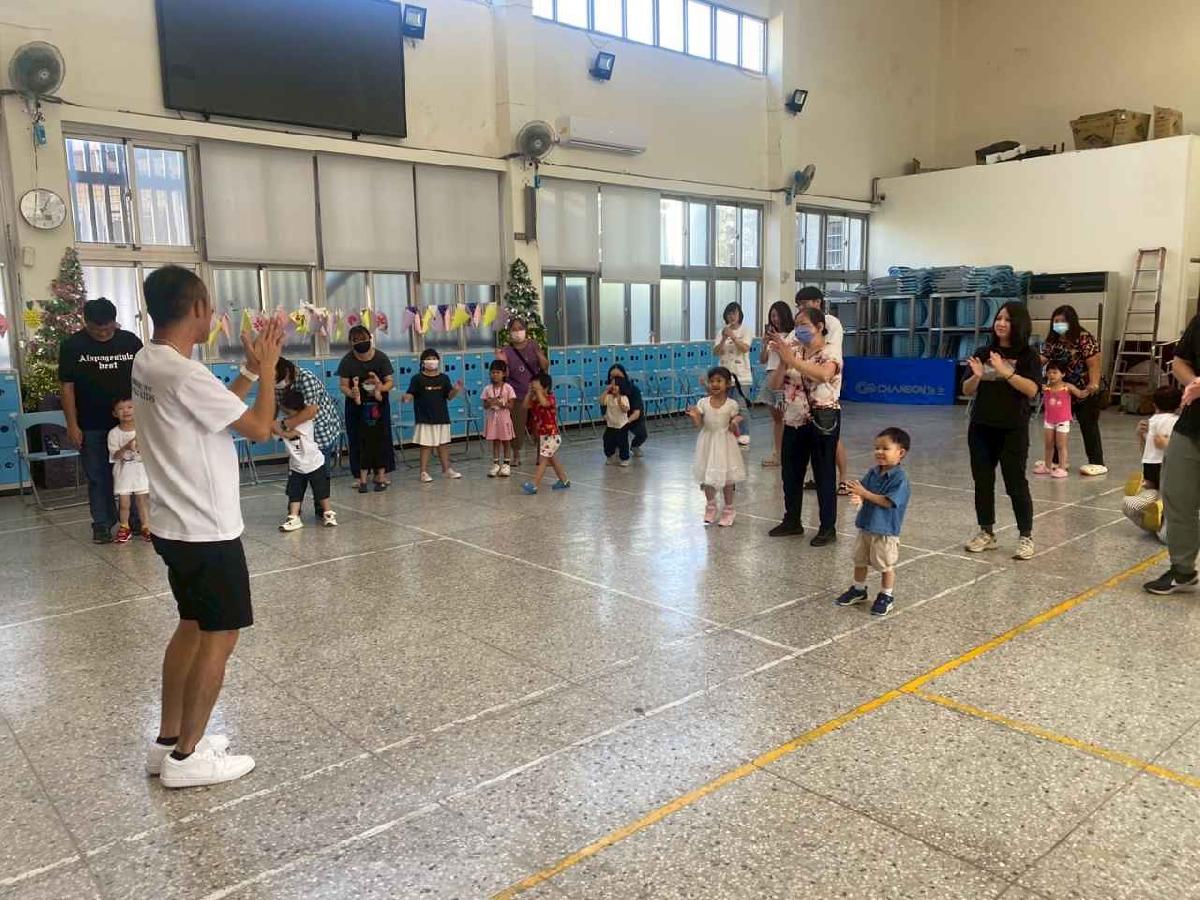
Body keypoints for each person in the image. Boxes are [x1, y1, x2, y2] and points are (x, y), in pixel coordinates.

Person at [132, 265, 283, 788]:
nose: (213, 313)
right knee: (220, 637)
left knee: (192, 626)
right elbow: (259, 429)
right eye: (210, 306)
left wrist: (248, 370)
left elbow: (215, 409)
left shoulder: (150, 361)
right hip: (207, 530)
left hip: (174, 526)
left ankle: (167, 742)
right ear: (196, 309)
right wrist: (269, 371)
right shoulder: (185, 374)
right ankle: (188, 758)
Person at [58, 297, 144, 543]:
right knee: (98, 477)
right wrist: (72, 425)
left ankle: (137, 521)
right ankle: (102, 524)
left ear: (114, 322)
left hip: (129, 424)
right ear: (85, 323)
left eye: (108, 328)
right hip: (91, 424)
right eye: (97, 330)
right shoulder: (72, 346)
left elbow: (145, 378)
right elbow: (67, 388)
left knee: (133, 470)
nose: (103, 334)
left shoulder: (130, 342)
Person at [962, 301, 1042, 560]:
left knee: (1015, 483)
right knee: (983, 481)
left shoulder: (1029, 355)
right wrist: (976, 376)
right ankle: (986, 532)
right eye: (998, 318)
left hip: (1012, 429)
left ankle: (1025, 535)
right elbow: (966, 390)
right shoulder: (984, 352)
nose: (1001, 323)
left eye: (1007, 319)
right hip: (981, 427)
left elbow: (1032, 390)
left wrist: (1006, 372)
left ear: (1018, 323)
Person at [767, 307, 843, 546]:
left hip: (823, 418)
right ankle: (792, 520)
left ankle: (827, 527)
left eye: (804, 324)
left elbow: (823, 375)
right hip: (793, 419)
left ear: (819, 327)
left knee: (823, 473)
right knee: (790, 473)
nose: (798, 329)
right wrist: (783, 362)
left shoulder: (830, 351)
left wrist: (793, 361)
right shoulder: (794, 351)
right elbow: (774, 386)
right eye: (797, 324)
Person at [1145, 312, 1200, 594]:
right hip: (1192, 426)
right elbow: (1179, 362)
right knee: (1177, 495)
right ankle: (1183, 570)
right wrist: (1194, 382)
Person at [835, 427, 912, 617]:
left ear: (901, 453)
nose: (879, 452)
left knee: (885, 564)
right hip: (866, 526)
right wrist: (858, 496)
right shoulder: (873, 472)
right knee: (859, 559)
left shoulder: (900, 478)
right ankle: (858, 589)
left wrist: (865, 494)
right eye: (876, 448)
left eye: (885, 448)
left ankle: (886, 595)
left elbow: (887, 502)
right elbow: (862, 490)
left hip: (885, 531)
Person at [1039, 305, 1107, 476]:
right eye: (1056, 321)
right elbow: (1042, 359)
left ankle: (1097, 462)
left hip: (1083, 390)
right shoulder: (1053, 340)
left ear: (1071, 322)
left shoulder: (1083, 338)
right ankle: (1056, 461)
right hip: (1061, 392)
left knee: (1088, 425)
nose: (1058, 324)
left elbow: (1094, 363)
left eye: (1062, 321)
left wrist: (1094, 384)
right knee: (1056, 424)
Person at [796, 287, 849, 492]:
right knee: (813, 440)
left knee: (831, 438)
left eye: (804, 303)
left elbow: (827, 353)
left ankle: (842, 478)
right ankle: (817, 476)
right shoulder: (800, 327)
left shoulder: (831, 323)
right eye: (799, 305)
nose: (801, 308)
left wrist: (799, 360)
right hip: (806, 394)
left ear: (817, 302)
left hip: (826, 389)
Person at [337, 325, 396, 491]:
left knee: (382, 438)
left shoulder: (381, 358)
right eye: (355, 340)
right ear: (350, 343)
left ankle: (381, 473)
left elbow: (390, 382)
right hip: (356, 407)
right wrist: (351, 392)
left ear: (370, 338)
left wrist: (380, 388)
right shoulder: (347, 361)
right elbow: (343, 385)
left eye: (363, 339)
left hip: (378, 405)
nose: (360, 342)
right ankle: (359, 476)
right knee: (357, 439)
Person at [687, 366, 746, 526]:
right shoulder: (703, 403)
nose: (714, 384)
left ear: (728, 384)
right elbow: (699, 424)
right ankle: (711, 506)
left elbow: (737, 419)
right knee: (708, 477)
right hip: (707, 442)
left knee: (727, 478)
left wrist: (735, 422)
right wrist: (694, 416)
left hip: (725, 444)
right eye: (712, 381)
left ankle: (728, 509)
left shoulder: (731, 404)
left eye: (719, 381)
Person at [1123, 385, 1180, 537]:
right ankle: (1160, 521)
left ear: (1154, 404)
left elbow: (1147, 453)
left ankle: (1156, 521)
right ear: (1179, 405)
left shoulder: (1150, 423)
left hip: (1155, 473)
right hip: (1167, 477)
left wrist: (1141, 437)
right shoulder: (1179, 423)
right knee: (1166, 536)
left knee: (1129, 504)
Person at [277, 389, 337, 532]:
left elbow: (290, 435)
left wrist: (276, 428)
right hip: (296, 466)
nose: (286, 415)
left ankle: (328, 513)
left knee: (321, 491)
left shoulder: (306, 422)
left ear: (297, 409)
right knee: (294, 492)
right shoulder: (286, 422)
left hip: (314, 464)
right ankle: (294, 517)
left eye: (288, 411)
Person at [402, 348, 464, 483]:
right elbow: (410, 393)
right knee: (426, 445)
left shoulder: (444, 378)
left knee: (443, 444)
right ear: (423, 362)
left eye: (434, 358)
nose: (432, 361)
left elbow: (449, 396)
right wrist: (406, 397)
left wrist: (456, 390)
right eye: (428, 359)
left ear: (438, 361)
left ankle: (447, 469)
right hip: (425, 418)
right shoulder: (417, 378)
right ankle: (423, 472)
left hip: (441, 417)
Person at [273, 358, 341, 475]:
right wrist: (270, 423)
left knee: (320, 474)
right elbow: (275, 404)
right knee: (298, 471)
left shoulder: (306, 378)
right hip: (297, 431)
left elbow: (310, 411)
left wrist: (282, 426)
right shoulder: (277, 383)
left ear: (287, 372)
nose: (276, 384)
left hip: (319, 430)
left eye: (277, 380)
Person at [496, 318, 549, 467]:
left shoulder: (533, 345)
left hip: (536, 393)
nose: (517, 332)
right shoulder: (507, 351)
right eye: (514, 329)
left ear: (525, 330)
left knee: (539, 425)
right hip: (517, 394)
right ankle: (516, 455)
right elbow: (504, 375)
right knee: (517, 426)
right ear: (509, 332)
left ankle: (540, 455)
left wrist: (540, 355)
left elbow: (545, 366)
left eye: (520, 328)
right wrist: (502, 361)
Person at [107, 397, 150, 544]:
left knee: (142, 500)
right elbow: (115, 455)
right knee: (124, 503)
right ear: (115, 413)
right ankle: (124, 527)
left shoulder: (142, 429)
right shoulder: (114, 433)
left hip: (140, 471)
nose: (126, 411)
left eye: (130, 407)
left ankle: (146, 526)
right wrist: (127, 446)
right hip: (123, 473)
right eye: (121, 408)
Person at [758, 301, 795, 468]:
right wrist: (765, 343)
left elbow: (788, 358)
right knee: (777, 419)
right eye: (772, 315)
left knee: (789, 418)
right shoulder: (770, 337)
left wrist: (779, 341)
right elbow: (763, 359)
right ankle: (778, 453)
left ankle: (792, 454)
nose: (775, 319)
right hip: (770, 375)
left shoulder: (791, 335)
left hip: (784, 377)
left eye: (778, 315)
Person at [521, 372, 570, 495]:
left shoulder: (550, 398)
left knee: (543, 460)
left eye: (537, 386)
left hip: (552, 435)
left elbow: (544, 403)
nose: (535, 389)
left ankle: (534, 485)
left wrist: (538, 392)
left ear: (546, 387)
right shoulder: (535, 400)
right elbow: (525, 406)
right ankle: (564, 480)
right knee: (552, 460)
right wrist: (529, 393)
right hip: (544, 435)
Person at [713, 302, 753, 447]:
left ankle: (744, 433)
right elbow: (715, 352)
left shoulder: (746, 330)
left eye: (734, 313)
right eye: (729, 314)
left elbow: (745, 348)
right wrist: (724, 338)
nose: (732, 316)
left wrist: (733, 337)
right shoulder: (721, 332)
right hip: (724, 376)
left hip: (741, 376)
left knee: (740, 406)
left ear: (739, 314)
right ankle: (729, 434)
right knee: (725, 407)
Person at [1033, 361, 1080, 479]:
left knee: (1061, 445)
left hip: (1062, 421)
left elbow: (1080, 394)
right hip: (1049, 420)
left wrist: (1090, 389)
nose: (1051, 375)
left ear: (1063, 374)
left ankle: (1062, 468)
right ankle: (1047, 466)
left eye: (1055, 372)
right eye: (1049, 372)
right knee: (1048, 444)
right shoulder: (1045, 388)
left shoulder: (1067, 387)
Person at [482, 359, 516, 477]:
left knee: (506, 441)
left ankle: (506, 464)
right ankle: (496, 464)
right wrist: (490, 402)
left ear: (504, 374)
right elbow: (484, 405)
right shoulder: (487, 389)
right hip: (493, 419)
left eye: (498, 372)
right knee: (495, 440)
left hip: (504, 419)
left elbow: (511, 405)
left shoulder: (508, 388)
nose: (495, 375)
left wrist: (502, 404)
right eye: (493, 372)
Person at [607, 363, 648, 456]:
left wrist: (626, 422)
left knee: (642, 434)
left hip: (631, 418)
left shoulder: (634, 390)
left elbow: (637, 412)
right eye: (612, 377)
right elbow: (604, 409)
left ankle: (635, 446)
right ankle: (616, 445)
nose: (616, 380)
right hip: (616, 419)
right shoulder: (609, 392)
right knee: (612, 435)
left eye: (618, 377)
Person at [600, 371, 633, 467]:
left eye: (615, 385)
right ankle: (610, 455)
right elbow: (601, 401)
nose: (613, 386)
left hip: (622, 425)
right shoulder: (609, 397)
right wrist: (606, 391)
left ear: (621, 387)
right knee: (607, 440)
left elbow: (625, 410)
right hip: (611, 424)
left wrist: (620, 403)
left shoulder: (624, 398)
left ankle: (624, 458)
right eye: (612, 384)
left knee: (623, 442)